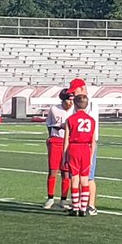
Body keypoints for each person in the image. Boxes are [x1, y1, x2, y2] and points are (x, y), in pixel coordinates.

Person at [68, 78, 100, 215]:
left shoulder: (87, 104)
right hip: (83, 143)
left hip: (86, 143)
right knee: (81, 177)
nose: (72, 95)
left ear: (81, 88)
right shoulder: (82, 102)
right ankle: (79, 204)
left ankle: (90, 205)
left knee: (87, 177)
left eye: (74, 91)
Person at [62, 94, 97, 217]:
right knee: (84, 179)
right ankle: (83, 208)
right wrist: (91, 156)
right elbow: (93, 141)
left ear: (75, 105)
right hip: (86, 149)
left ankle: (75, 207)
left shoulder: (70, 119)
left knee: (74, 178)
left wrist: (64, 156)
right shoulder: (92, 120)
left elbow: (66, 139)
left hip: (74, 148)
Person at [43, 88, 74, 209]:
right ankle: (50, 197)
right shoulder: (54, 109)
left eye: (72, 100)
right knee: (53, 170)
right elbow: (49, 125)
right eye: (68, 100)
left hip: (68, 142)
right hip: (56, 141)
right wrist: (50, 137)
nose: (70, 103)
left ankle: (63, 199)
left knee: (66, 172)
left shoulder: (74, 110)